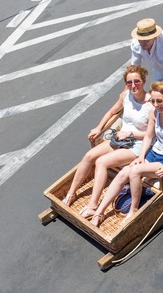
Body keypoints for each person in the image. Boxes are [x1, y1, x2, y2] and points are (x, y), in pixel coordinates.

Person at [90, 82, 163, 227]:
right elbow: (149, 136)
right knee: (125, 172)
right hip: (154, 154)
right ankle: (98, 211)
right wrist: (141, 157)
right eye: (153, 101)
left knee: (135, 171)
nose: (156, 105)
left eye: (159, 101)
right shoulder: (154, 113)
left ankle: (133, 210)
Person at [62, 65, 152, 219]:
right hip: (120, 139)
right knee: (89, 155)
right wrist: (98, 127)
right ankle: (71, 194)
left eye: (136, 82)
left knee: (101, 162)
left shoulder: (151, 104)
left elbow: (152, 134)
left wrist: (130, 133)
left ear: (143, 81)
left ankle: (93, 205)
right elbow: (112, 111)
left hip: (136, 144)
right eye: (129, 82)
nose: (133, 86)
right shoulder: (125, 96)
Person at [130, 18, 163, 103]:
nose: (142, 43)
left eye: (146, 40)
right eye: (140, 39)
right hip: (156, 65)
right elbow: (133, 69)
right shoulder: (136, 43)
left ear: (154, 37)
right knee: (157, 86)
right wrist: (127, 90)